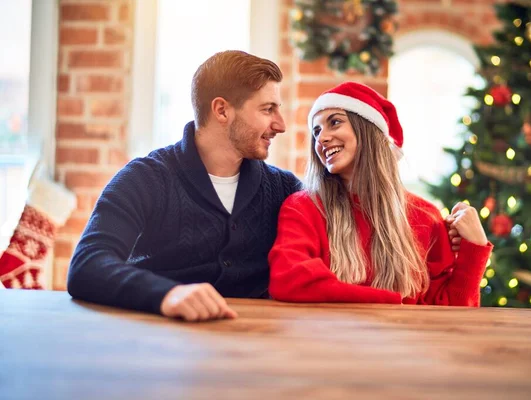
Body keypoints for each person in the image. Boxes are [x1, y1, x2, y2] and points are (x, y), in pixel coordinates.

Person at [67, 51, 302, 321]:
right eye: (268, 109)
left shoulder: (284, 189)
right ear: (222, 110)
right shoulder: (144, 178)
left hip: (254, 344)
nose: (280, 125)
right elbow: (87, 265)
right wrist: (167, 294)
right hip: (160, 338)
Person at [268, 82, 492, 306]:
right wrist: (395, 303)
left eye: (334, 123)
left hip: (403, 341)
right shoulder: (303, 207)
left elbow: (451, 310)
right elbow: (288, 279)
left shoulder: (425, 217)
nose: (322, 139)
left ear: (367, 129)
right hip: (326, 339)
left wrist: (475, 249)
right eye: (316, 132)